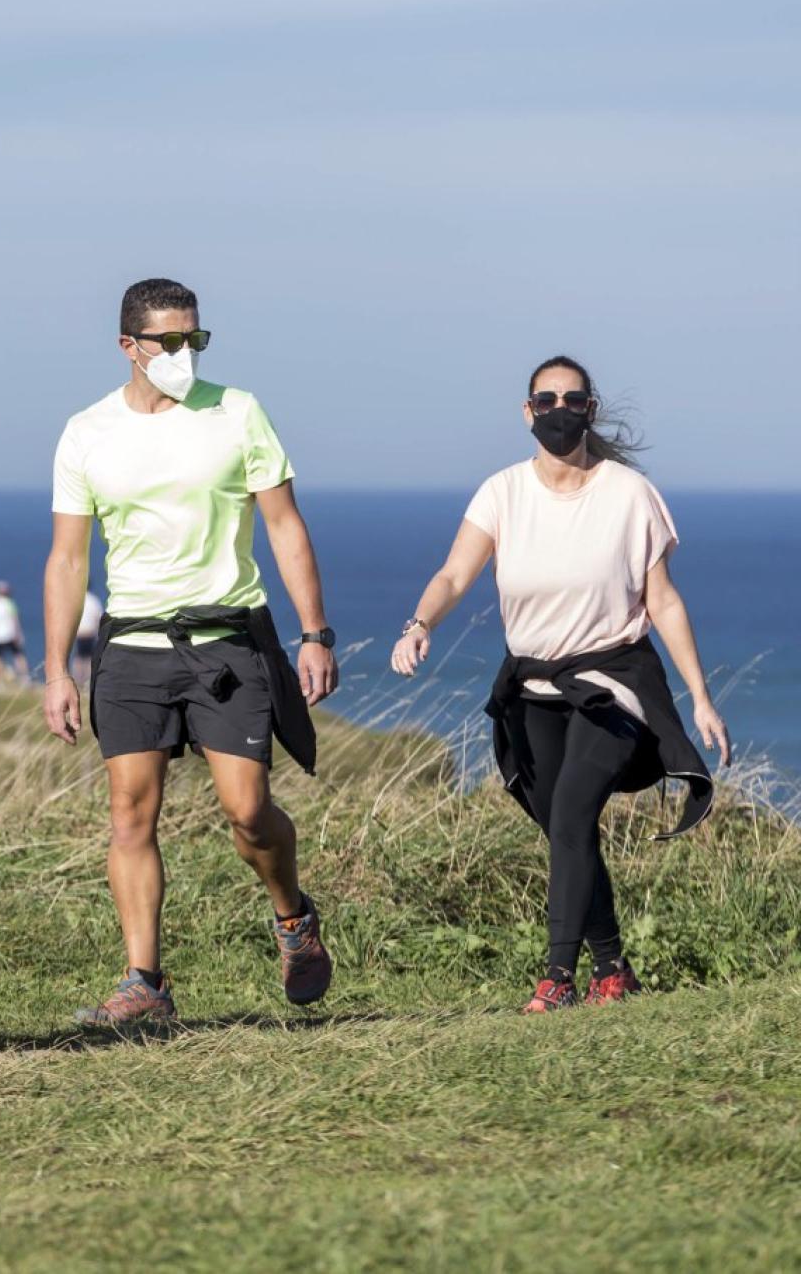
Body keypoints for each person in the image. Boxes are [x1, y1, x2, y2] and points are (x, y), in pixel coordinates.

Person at [391, 355, 729, 1012]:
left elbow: (662, 602)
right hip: (535, 690)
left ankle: (557, 979)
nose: (558, 410)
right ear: (528, 412)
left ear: (589, 410)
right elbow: (455, 574)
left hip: (614, 684)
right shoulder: (502, 492)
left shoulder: (629, 494)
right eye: (545, 401)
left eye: (572, 400)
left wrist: (699, 697)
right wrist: (419, 622)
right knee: (565, 829)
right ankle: (614, 969)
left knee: (573, 811)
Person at [43, 277, 339, 1026]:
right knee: (130, 816)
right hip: (133, 647)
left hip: (227, 642)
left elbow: (284, 526)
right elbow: (68, 560)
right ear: (128, 347)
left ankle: (293, 916)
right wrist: (56, 671)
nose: (183, 353)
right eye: (168, 341)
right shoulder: (86, 431)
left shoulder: (238, 413)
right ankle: (145, 981)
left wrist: (314, 632)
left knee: (247, 813)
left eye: (194, 339)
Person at [0, 581, 30, 683]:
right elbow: (15, 620)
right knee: (19, 656)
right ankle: (25, 678)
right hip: (10, 635)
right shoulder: (9, 603)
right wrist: (19, 634)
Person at [71, 590, 104, 683]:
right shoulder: (94, 600)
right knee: (89, 659)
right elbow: (98, 617)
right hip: (90, 633)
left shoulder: (77, 600)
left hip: (80, 633)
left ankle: (77, 680)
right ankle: (88, 682)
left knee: (79, 658)